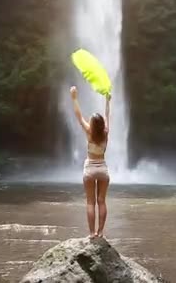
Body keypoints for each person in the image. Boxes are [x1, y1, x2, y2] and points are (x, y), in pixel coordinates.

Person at [69, 86, 110, 238]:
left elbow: (79, 116)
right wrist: (107, 101)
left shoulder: (89, 132)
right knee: (102, 202)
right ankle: (100, 232)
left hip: (90, 169)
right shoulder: (105, 133)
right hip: (103, 169)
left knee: (90, 202)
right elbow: (107, 115)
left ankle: (92, 233)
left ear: (92, 125)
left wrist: (74, 98)